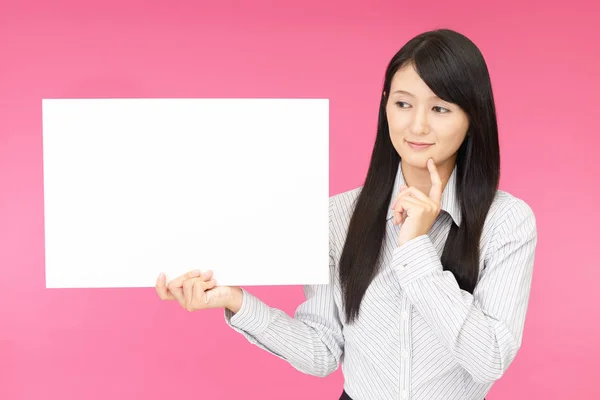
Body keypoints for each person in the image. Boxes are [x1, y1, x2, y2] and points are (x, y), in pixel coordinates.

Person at [155, 28, 538, 400]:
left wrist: (415, 248)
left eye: (440, 108)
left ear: (472, 119)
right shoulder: (336, 217)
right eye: (403, 103)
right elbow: (321, 350)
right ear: (386, 105)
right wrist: (234, 300)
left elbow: (488, 358)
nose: (417, 125)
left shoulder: (507, 222)